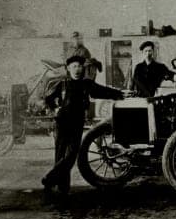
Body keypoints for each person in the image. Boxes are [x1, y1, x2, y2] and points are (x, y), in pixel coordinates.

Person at [41, 55, 124, 199]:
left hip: (77, 123)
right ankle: (62, 188)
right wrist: (54, 109)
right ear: (68, 69)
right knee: (60, 155)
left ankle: (50, 179)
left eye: (79, 66)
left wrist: (120, 94)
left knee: (71, 155)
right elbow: (48, 99)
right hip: (62, 123)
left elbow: (103, 91)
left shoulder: (87, 84)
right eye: (74, 67)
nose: (77, 69)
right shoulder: (63, 84)